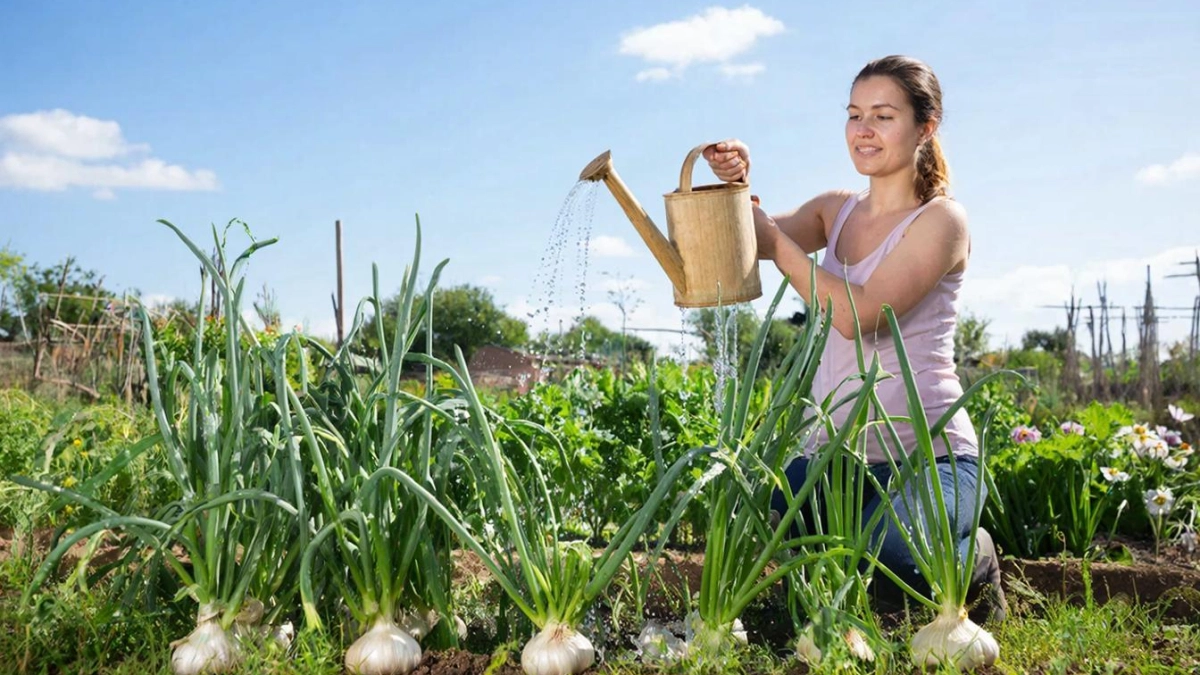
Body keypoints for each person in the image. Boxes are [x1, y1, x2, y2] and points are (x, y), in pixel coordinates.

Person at [703, 54, 1006, 622]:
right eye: (854, 114)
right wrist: (738, 183)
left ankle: (976, 556)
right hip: (841, 458)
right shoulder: (833, 212)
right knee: (759, 518)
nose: (864, 130)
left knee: (895, 559)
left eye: (883, 116)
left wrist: (780, 245)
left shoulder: (942, 221)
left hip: (932, 458)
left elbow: (859, 315)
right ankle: (866, 543)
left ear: (925, 127)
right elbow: (742, 241)